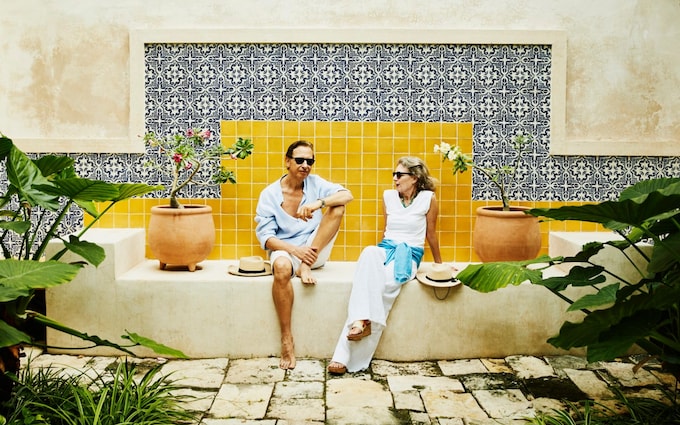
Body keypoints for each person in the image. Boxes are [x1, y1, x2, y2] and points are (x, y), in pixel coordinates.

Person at [327, 156, 443, 375]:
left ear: (415, 178)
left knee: (384, 287)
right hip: (386, 249)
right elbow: (385, 230)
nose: (394, 179)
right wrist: (380, 258)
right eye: (394, 174)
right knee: (370, 252)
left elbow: (431, 234)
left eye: (399, 175)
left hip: (408, 254)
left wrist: (439, 265)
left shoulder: (428, 199)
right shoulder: (388, 196)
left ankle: (344, 355)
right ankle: (361, 321)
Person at [255, 140, 354, 370]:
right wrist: (293, 250)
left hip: (315, 248)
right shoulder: (269, 194)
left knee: (337, 207)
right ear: (287, 161)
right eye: (299, 160)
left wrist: (318, 203)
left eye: (310, 161)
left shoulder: (315, 184)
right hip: (287, 250)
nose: (305, 165)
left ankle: (306, 266)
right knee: (280, 268)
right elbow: (266, 238)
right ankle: (287, 339)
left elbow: (347, 195)